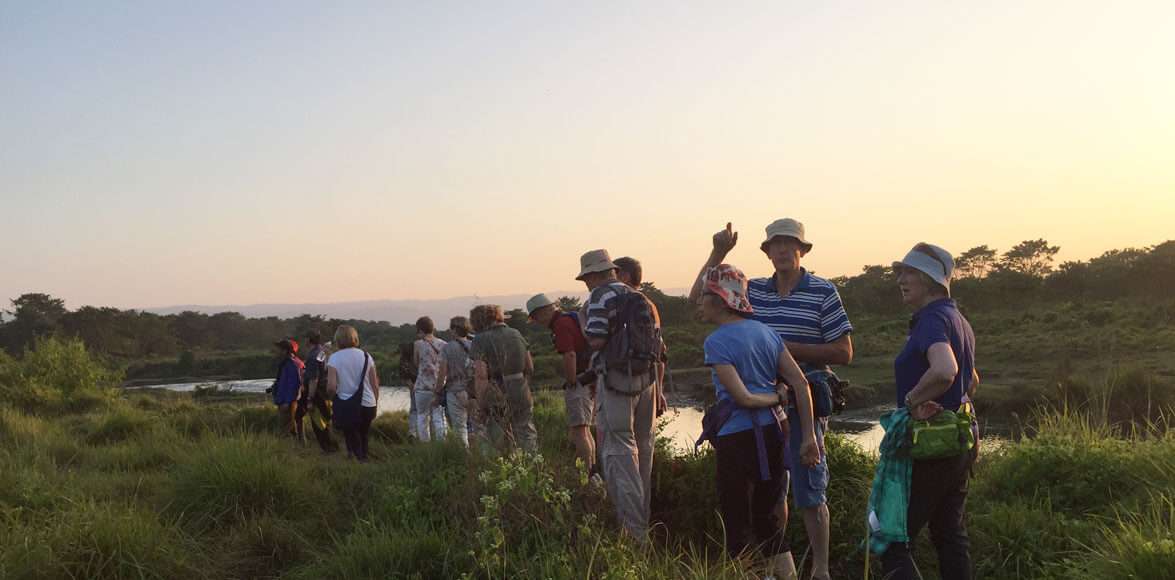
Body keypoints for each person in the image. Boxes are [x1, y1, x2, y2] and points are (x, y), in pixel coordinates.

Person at [690, 220, 853, 580]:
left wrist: (781, 348)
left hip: (804, 398)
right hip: (770, 411)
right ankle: (774, 569)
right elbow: (701, 300)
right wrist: (719, 252)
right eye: (774, 244)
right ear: (766, 251)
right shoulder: (757, 290)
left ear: (803, 250)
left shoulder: (823, 291)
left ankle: (821, 570)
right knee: (773, 492)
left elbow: (844, 351)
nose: (781, 250)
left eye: (789, 244)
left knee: (811, 490)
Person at [697, 264, 820, 580]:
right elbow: (801, 383)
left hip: (737, 439)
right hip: (773, 433)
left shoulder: (717, 342)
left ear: (721, 300)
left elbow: (743, 398)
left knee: (735, 518)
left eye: (704, 295)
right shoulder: (768, 333)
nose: (698, 301)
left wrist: (774, 397)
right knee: (768, 518)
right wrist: (808, 437)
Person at [882, 243, 978, 580]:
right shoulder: (957, 319)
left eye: (909, 273)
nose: (901, 280)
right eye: (901, 272)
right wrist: (951, 405)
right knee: (950, 535)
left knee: (891, 539)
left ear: (930, 280)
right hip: (959, 442)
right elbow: (972, 381)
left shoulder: (931, 319)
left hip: (931, 445)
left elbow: (945, 370)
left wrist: (910, 405)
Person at [578, 248, 660, 540]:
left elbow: (597, 339)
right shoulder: (644, 299)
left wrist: (584, 323)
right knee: (644, 453)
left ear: (594, 275)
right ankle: (645, 521)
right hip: (647, 382)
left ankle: (634, 535)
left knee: (620, 454)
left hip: (616, 382)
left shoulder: (600, 297)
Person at [526, 293, 596, 475]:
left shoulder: (561, 325)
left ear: (543, 312)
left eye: (535, 317)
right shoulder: (569, 318)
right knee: (584, 430)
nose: (537, 322)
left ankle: (586, 475)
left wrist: (571, 381)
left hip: (580, 380)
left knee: (579, 431)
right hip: (590, 378)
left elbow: (570, 354)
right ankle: (592, 470)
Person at [469, 304, 537, 453]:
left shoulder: (479, 340)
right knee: (526, 432)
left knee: (497, 434)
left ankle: (503, 469)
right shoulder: (516, 333)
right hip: (521, 388)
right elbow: (530, 367)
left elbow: (481, 375)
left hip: (496, 392)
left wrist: (481, 404)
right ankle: (533, 467)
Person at [614, 256, 668, 417]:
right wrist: (658, 390)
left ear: (624, 276)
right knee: (645, 439)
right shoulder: (650, 304)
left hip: (627, 381)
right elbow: (660, 351)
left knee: (624, 437)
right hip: (649, 381)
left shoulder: (625, 304)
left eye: (613, 275)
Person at [326, 325, 379, 462]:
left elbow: (331, 386)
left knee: (350, 434)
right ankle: (364, 458)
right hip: (368, 403)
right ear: (354, 338)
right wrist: (375, 402)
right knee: (364, 434)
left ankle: (355, 459)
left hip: (346, 405)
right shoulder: (367, 356)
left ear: (338, 339)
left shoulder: (334, 358)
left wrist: (332, 399)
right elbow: (375, 384)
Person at [299, 330, 339, 453]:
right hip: (327, 392)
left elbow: (313, 379)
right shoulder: (323, 352)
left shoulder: (313, 356)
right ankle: (332, 447)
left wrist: (310, 399)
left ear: (308, 340)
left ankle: (328, 448)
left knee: (318, 422)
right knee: (326, 420)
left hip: (318, 393)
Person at [438, 316, 475, 447]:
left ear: (454, 330)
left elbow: (442, 372)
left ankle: (465, 456)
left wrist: (438, 391)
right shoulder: (474, 345)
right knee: (476, 425)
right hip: (473, 391)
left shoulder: (447, 348)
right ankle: (479, 454)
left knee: (460, 427)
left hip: (454, 390)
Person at [413, 317, 448, 442]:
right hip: (439, 386)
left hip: (422, 386)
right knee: (438, 417)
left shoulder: (418, 344)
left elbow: (416, 363)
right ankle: (441, 443)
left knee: (422, 417)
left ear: (420, 329)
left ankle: (425, 445)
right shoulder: (444, 344)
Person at [270, 338, 304, 438]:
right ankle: (297, 448)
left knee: (285, 430)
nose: (276, 351)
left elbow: (293, 385)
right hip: (284, 401)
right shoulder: (286, 363)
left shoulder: (291, 364)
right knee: (291, 429)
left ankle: (284, 450)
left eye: (279, 349)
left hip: (287, 402)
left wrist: (287, 402)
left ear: (285, 351)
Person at [398, 342, 419, 440]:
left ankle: (412, 433)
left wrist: (411, 385)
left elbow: (404, 375)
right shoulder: (418, 356)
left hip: (413, 386)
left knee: (414, 410)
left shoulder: (403, 360)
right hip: (424, 385)